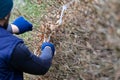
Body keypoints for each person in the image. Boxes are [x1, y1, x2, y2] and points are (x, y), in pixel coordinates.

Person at [0, 0, 55, 80]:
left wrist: (13, 28)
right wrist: (48, 48)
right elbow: (41, 67)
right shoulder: (12, 48)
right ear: (5, 16)